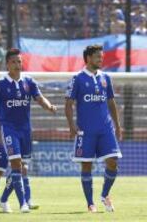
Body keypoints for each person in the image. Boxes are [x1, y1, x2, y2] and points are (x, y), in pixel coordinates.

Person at [0, 48, 57, 213]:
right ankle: (23, 202)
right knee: (16, 164)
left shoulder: (29, 81)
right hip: (8, 128)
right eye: (14, 62)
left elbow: (39, 98)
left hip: (25, 129)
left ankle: (3, 199)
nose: (17, 65)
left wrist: (49, 106)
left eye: (19, 61)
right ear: (7, 64)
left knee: (22, 168)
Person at [65, 45, 122, 213]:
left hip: (106, 129)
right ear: (88, 58)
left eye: (101, 56)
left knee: (113, 162)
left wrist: (117, 126)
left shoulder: (106, 78)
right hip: (86, 131)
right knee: (86, 166)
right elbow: (68, 104)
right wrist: (71, 125)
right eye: (98, 56)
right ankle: (90, 203)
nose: (101, 59)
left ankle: (104, 195)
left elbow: (111, 102)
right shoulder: (77, 78)